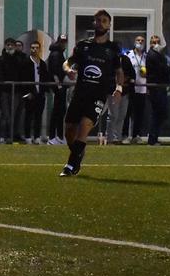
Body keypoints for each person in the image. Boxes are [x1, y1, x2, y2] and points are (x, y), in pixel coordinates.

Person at [58, 10, 125, 177]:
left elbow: (119, 72)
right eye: (98, 20)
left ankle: (71, 166)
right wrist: (68, 70)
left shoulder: (113, 49)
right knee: (69, 131)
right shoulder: (83, 45)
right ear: (93, 23)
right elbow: (68, 62)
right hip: (80, 93)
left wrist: (119, 88)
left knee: (85, 126)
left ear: (109, 25)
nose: (100, 23)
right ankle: (78, 152)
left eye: (104, 21)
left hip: (99, 95)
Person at [145, 35, 170, 145]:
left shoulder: (159, 55)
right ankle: (152, 138)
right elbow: (163, 69)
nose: (156, 44)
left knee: (161, 113)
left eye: (157, 42)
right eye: (153, 42)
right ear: (150, 44)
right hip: (156, 87)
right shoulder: (153, 55)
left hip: (159, 86)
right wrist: (169, 68)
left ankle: (154, 137)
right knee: (158, 113)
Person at [22, 40, 50, 143]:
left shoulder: (42, 64)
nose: (34, 49)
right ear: (30, 49)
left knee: (38, 116)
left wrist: (44, 91)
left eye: (36, 47)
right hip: (29, 94)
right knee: (28, 116)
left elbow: (46, 78)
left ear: (39, 49)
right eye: (32, 47)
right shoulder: (25, 62)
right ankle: (28, 137)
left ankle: (37, 136)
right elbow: (23, 79)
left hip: (40, 94)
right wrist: (27, 93)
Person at [0, 38, 19, 144]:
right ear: (5, 46)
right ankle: (1, 136)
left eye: (11, 45)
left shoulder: (18, 60)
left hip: (15, 91)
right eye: (8, 45)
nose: (10, 47)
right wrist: (1, 89)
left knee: (13, 114)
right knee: (5, 114)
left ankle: (10, 136)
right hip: (4, 92)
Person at [125, 35, 149, 144]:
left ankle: (136, 135)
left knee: (139, 114)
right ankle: (125, 135)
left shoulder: (146, 56)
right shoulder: (128, 55)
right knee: (127, 112)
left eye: (142, 41)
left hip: (142, 89)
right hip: (131, 88)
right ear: (134, 42)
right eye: (138, 40)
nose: (140, 42)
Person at [45, 37, 68, 145]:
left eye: (64, 42)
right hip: (58, 85)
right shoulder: (56, 54)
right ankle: (53, 136)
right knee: (57, 111)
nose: (63, 44)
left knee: (60, 111)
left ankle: (58, 136)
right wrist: (58, 84)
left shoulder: (58, 53)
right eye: (62, 42)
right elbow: (54, 71)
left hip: (59, 85)